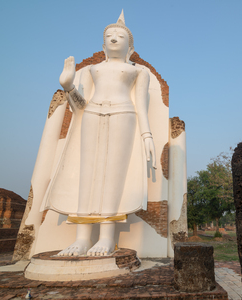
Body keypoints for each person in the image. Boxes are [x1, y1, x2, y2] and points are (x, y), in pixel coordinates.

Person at [41, 11, 156, 256]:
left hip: (123, 115)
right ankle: (81, 238)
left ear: (130, 46)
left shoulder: (139, 71)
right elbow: (79, 106)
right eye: (109, 35)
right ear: (103, 45)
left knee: (113, 174)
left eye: (120, 35)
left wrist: (147, 135)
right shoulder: (92, 70)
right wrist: (68, 85)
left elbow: (141, 107)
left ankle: (106, 237)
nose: (114, 38)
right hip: (91, 114)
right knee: (87, 173)